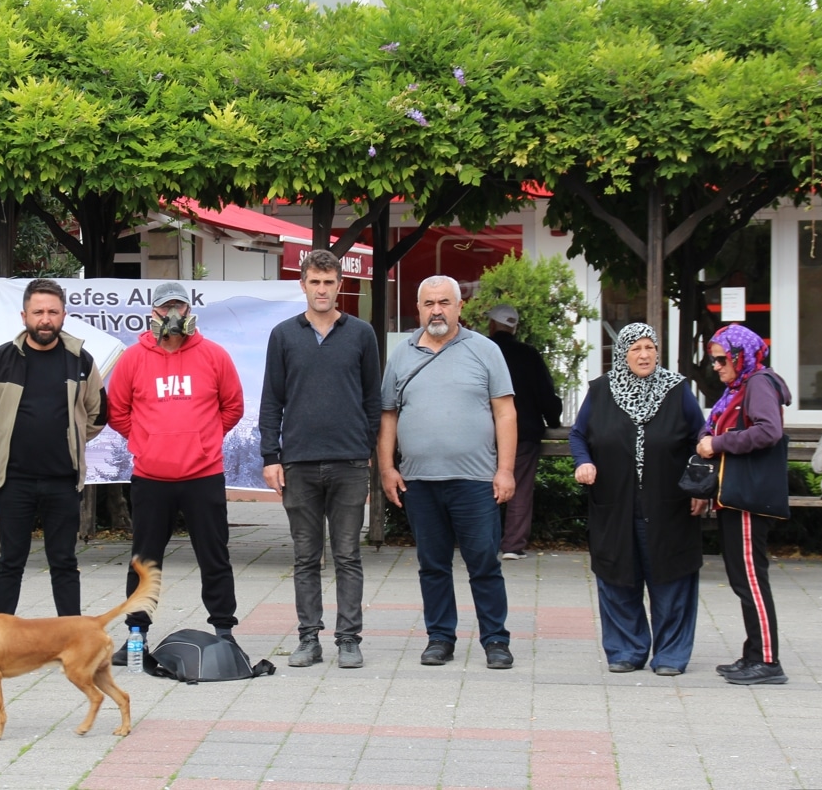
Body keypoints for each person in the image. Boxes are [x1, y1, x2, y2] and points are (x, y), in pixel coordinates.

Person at [378, 275, 517, 670]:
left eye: (444, 302)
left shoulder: (485, 351)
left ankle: (495, 640)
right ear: (418, 308)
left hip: (474, 481)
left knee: (484, 564)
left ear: (460, 307)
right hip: (419, 481)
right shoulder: (401, 355)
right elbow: (388, 415)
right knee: (432, 565)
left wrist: (505, 470)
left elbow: (505, 412)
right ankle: (440, 638)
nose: (436, 310)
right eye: (428, 303)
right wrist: (387, 468)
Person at [106, 280, 245, 663]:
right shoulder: (133, 359)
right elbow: (117, 410)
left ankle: (224, 632)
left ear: (189, 311)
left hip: (203, 476)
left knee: (214, 555)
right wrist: (147, 441)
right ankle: (136, 635)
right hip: (151, 479)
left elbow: (232, 406)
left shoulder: (214, 356)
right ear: (152, 313)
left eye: (179, 307)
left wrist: (204, 440)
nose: (173, 315)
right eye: (165, 307)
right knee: (144, 560)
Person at [259, 249, 382, 670]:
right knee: (305, 557)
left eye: (329, 282)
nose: (322, 289)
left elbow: (372, 398)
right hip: (299, 464)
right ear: (303, 284)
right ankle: (308, 639)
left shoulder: (361, 334)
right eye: (315, 282)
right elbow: (272, 400)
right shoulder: (283, 335)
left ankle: (349, 640)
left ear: (340, 285)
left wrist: (364, 446)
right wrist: (270, 457)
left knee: (348, 555)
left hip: (349, 462)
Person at [569, 322, 706, 676]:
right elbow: (579, 435)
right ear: (622, 353)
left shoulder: (677, 391)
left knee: (671, 577)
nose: (644, 355)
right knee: (618, 575)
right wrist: (583, 462)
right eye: (635, 349)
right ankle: (626, 651)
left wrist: (698, 487)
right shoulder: (601, 391)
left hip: (670, 504)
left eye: (650, 347)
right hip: (615, 504)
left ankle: (671, 656)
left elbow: (700, 439)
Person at [0, 278, 107, 618]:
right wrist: (5, 437)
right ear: (24, 316)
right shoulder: (1, 360)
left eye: (52, 312)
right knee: (9, 563)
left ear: (63, 315)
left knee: (64, 562)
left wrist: (71, 440)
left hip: (62, 481)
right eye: (38, 312)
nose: (45, 319)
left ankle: (72, 636)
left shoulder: (80, 361)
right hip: (14, 480)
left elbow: (98, 414)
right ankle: (0, 638)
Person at [696, 324, 791, 685]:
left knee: (751, 578)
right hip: (736, 497)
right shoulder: (741, 387)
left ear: (741, 355)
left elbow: (769, 431)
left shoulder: (758, 384)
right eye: (713, 360)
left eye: (722, 359)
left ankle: (767, 660)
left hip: (749, 499)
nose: (717, 366)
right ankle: (754, 653)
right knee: (742, 578)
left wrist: (717, 444)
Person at [486, 304, 562, 560]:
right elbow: (545, 395)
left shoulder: (482, 351)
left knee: (483, 486)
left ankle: (484, 541)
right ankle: (513, 546)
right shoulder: (529, 355)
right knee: (519, 487)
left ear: (492, 325)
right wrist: (553, 419)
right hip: (524, 432)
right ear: (514, 327)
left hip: (485, 432)